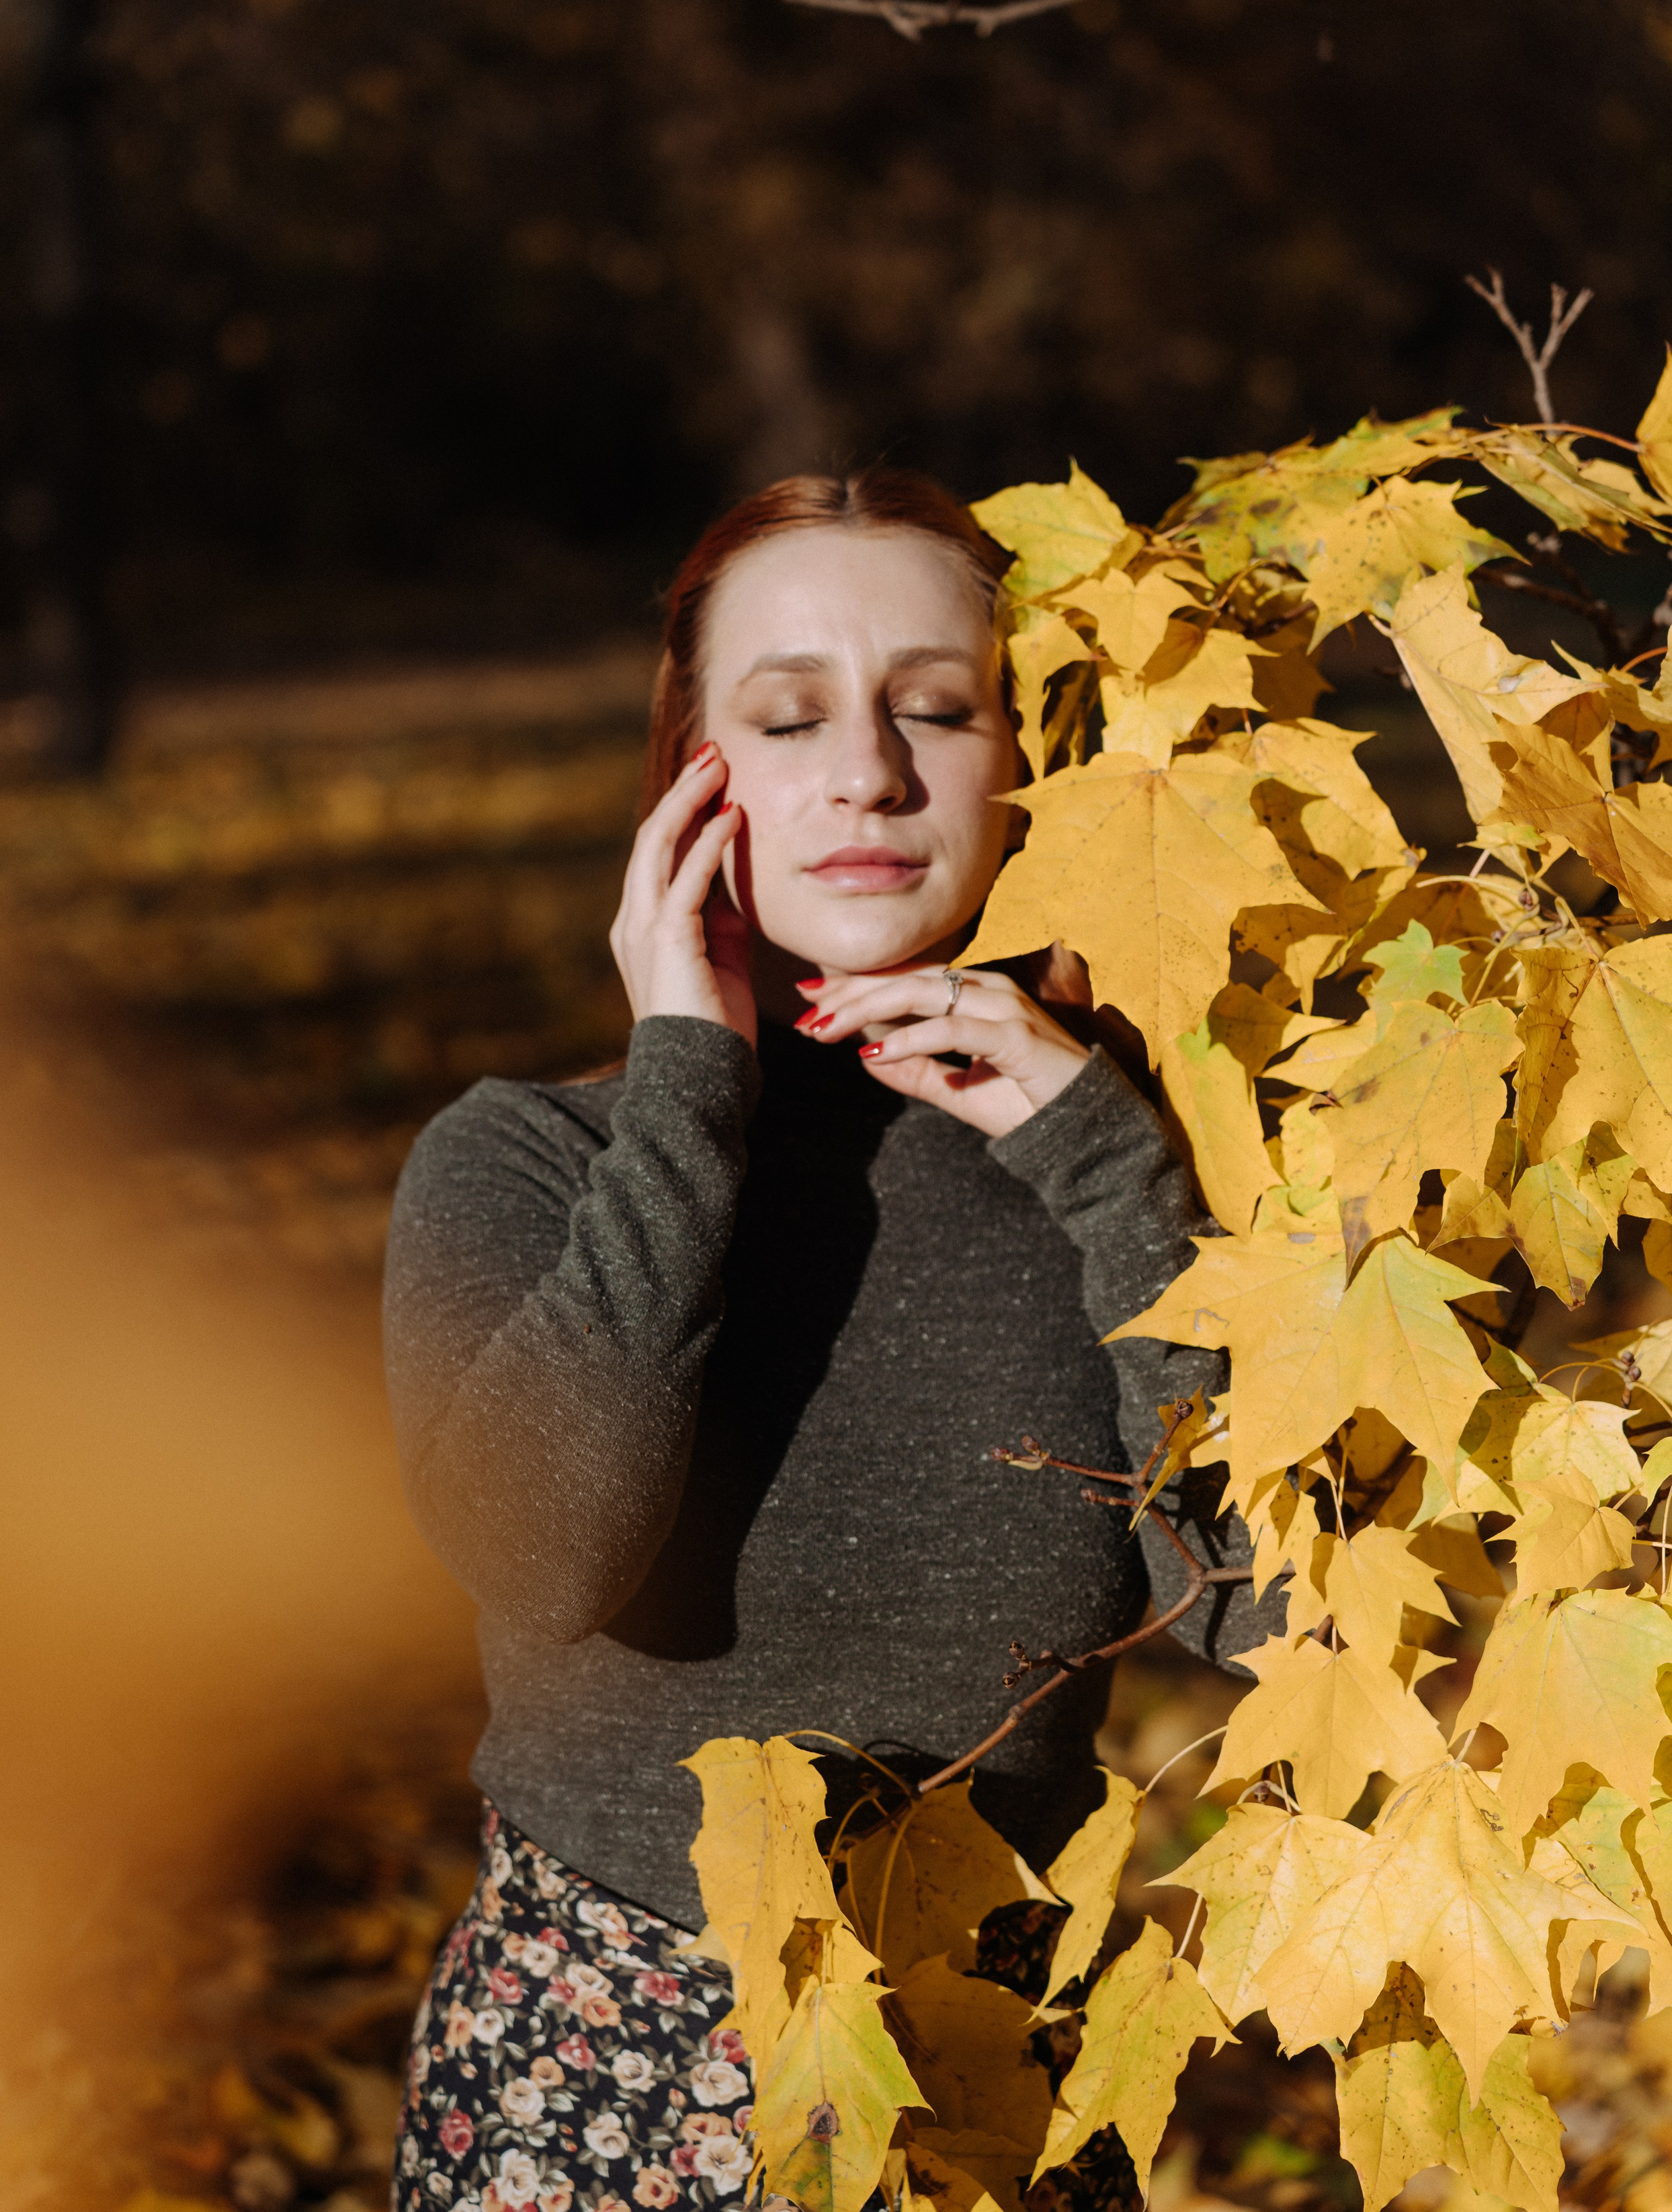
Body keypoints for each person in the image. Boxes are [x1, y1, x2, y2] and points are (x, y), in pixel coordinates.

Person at [382, 469, 1268, 2212]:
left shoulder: (1149, 1167)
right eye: (790, 717)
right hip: (590, 2088)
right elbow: (541, 1554)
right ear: (690, 774)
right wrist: (686, 1086)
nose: (867, 771)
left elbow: (1270, 1608)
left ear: (1033, 759)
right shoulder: (524, 1160)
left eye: (936, 706)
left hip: (983, 2097)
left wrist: (1109, 1170)